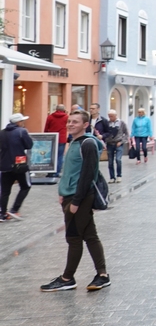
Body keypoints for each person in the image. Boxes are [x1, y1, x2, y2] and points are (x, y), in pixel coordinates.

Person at [40, 109, 109, 292]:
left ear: (85, 125)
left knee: (73, 237)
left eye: (75, 122)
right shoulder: (75, 142)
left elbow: (88, 175)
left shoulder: (87, 144)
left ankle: (67, 278)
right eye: (69, 121)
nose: (70, 124)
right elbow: (71, 171)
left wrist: (76, 202)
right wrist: (63, 191)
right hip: (71, 195)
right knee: (89, 235)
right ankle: (102, 275)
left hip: (80, 197)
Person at [0, 113, 34, 221]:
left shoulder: (1, 133)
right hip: (20, 165)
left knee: (5, 191)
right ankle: (14, 209)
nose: (23, 123)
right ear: (18, 122)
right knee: (25, 186)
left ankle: (2, 214)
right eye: (22, 121)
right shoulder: (22, 131)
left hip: (4, 165)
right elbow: (29, 145)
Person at [95, 110, 128, 183]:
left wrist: (121, 141)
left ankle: (119, 176)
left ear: (116, 115)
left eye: (112, 116)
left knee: (118, 160)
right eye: (109, 116)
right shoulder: (107, 123)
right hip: (109, 143)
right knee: (110, 161)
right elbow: (105, 132)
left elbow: (126, 133)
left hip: (118, 143)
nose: (110, 117)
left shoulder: (121, 123)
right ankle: (112, 177)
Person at [45, 104, 69, 175]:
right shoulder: (66, 117)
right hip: (61, 138)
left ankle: (50, 171)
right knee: (60, 156)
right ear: (64, 109)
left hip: (52, 138)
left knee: (51, 155)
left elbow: (46, 128)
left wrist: (46, 137)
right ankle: (57, 172)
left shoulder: (50, 117)